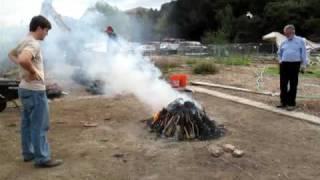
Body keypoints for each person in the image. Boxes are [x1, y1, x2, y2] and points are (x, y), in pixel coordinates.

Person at [8, 15, 63, 168]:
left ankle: (28, 153)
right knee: (39, 125)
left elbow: (11, 54)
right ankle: (42, 158)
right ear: (39, 28)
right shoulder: (33, 44)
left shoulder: (23, 41)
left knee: (27, 123)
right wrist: (32, 72)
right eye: (46, 30)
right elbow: (23, 60)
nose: (46, 34)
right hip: (34, 91)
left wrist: (25, 71)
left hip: (24, 88)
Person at [277, 24, 308, 111]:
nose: (286, 35)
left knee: (293, 84)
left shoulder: (300, 41)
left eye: (287, 33)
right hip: (284, 64)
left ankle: (291, 103)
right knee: (283, 84)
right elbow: (279, 53)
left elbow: (304, 54)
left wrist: (303, 65)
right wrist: (280, 60)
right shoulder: (283, 42)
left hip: (295, 64)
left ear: (292, 32)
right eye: (285, 33)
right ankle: (283, 102)